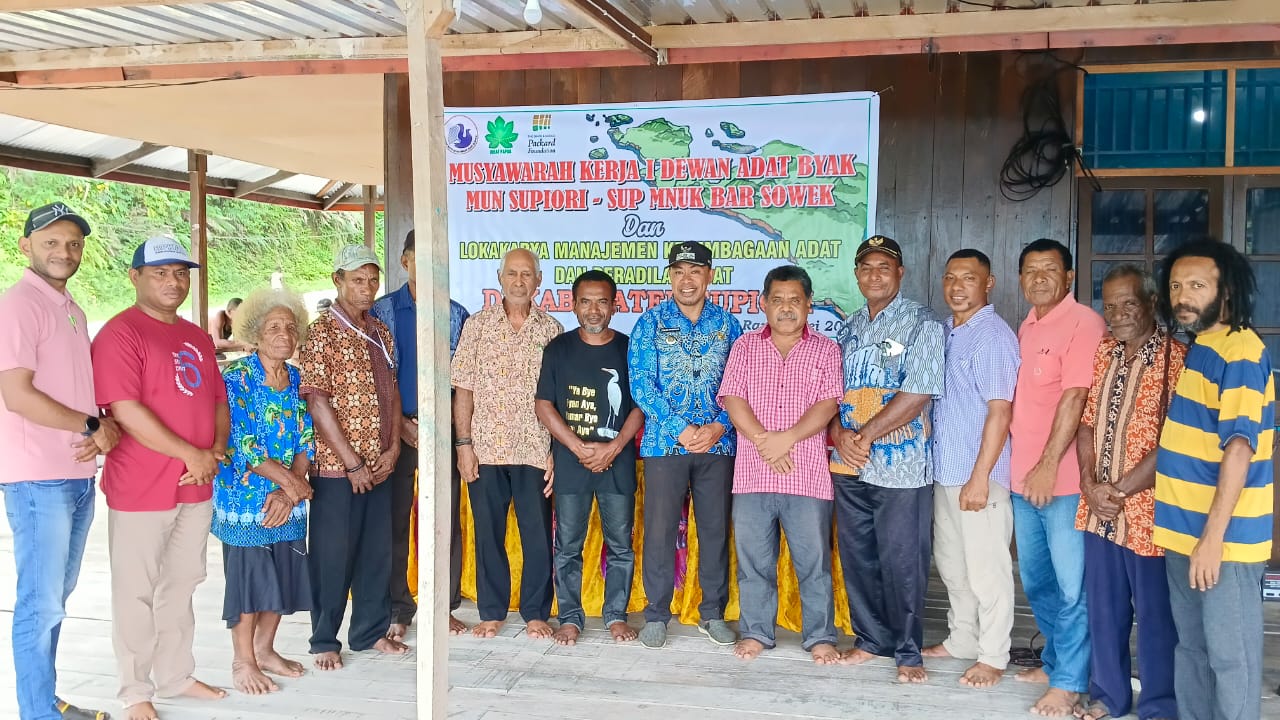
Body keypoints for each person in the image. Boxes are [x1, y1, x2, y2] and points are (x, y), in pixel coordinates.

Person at [91, 236, 231, 720]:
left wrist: (212, 449)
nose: (173, 282)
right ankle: (135, 690)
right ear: (135, 277)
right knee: (136, 589)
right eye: (160, 273)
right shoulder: (120, 333)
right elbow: (126, 411)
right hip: (141, 485)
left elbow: (217, 398)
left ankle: (175, 675)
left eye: (180, 273)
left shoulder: (194, 335)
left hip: (196, 479)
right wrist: (191, 452)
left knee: (183, 581)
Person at [0, 202, 119, 720]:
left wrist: (95, 424)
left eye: (72, 243)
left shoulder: (69, 306)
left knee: (55, 599)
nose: (63, 252)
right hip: (36, 478)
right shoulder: (18, 305)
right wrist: (91, 425)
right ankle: (36, 713)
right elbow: (17, 395)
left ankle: (43, 699)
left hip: (73, 474)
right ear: (25, 246)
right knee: (40, 603)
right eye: (50, 242)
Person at [1153, 239, 1274, 720]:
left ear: (1226, 293)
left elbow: (1240, 448)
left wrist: (1212, 539)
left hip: (1221, 540)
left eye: (1198, 286)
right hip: (1184, 532)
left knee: (1232, 658)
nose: (1183, 295)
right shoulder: (1203, 345)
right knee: (1193, 650)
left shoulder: (1241, 351)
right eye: (1177, 285)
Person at [827, 235, 944, 684]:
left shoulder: (922, 324)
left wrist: (865, 434)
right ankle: (871, 640)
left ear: (900, 273)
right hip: (849, 463)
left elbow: (918, 393)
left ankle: (909, 650)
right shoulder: (848, 326)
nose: (874, 275)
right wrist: (840, 434)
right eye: (866, 268)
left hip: (901, 465)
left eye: (883, 267)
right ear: (856, 275)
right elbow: (831, 395)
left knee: (903, 561)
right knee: (859, 556)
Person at [1073, 265, 1185, 720]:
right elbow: (1086, 422)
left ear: (1152, 304)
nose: (1116, 314)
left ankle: (1159, 706)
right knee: (1105, 609)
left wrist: (1117, 491)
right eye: (1110, 305)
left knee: (1157, 618)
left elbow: (1175, 442)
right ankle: (1109, 696)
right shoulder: (1105, 354)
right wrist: (1088, 483)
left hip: (1149, 512)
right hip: (1098, 507)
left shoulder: (1178, 359)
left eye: (1128, 304)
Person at [717, 265, 842, 665]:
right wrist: (762, 442)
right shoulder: (746, 347)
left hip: (806, 476)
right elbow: (733, 398)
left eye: (794, 300)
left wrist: (784, 440)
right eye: (778, 300)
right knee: (755, 562)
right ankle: (757, 632)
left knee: (814, 564)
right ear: (763, 304)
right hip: (753, 475)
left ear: (808, 304)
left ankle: (820, 636)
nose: (786, 308)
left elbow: (827, 404)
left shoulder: (825, 349)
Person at [1008, 238, 1106, 717]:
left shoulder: (1084, 323)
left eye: (1050, 268)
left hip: (1061, 481)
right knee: (1039, 581)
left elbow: (1076, 397)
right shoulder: (1027, 325)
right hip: (1021, 480)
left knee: (1072, 586)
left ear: (1069, 277)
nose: (1039, 277)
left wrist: (1047, 465)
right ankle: (1054, 661)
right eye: (1030, 269)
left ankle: (1069, 682)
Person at [628, 240, 742, 650]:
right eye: (678, 271)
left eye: (695, 271)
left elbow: (740, 386)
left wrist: (718, 425)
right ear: (670, 276)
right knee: (658, 532)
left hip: (718, 444)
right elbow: (641, 383)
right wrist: (679, 428)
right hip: (664, 443)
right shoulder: (650, 322)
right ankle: (656, 613)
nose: (686, 279)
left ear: (710, 275)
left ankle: (712, 612)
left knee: (714, 530)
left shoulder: (729, 325)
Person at [299, 244, 407, 671]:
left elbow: (394, 392)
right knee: (332, 556)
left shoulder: (381, 331)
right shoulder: (322, 331)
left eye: (372, 279)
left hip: (380, 464)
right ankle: (324, 638)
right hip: (337, 469)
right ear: (338, 281)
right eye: (357, 279)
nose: (366, 288)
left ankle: (368, 632)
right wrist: (351, 462)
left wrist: (394, 445)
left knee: (376, 552)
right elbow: (317, 402)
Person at [451, 248, 563, 639]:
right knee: (489, 535)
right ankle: (492, 612)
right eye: (512, 274)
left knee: (537, 536)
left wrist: (554, 453)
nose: (519, 281)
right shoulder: (477, 326)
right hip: (485, 449)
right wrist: (463, 445)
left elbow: (558, 401)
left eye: (526, 274)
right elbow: (462, 390)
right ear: (500, 278)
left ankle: (535, 613)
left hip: (534, 448)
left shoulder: (551, 330)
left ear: (538, 281)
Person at [921, 249, 1019, 689]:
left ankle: (994, 654)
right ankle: (962, 639)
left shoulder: (993, 336)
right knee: (953, 565)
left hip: (979, 475)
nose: (957, 287)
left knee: (987, 569)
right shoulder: (946, 331)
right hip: (945, 470)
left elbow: (1001, 412)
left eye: (968, 278)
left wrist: (981, 476)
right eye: (950, 278)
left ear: (989, 283)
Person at [213, 289, 316, 696]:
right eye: (273, 327)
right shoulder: (236, 377)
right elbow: (243, 442)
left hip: (288, 497)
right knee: (249, 580)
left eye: (290, 327)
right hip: (246, 500)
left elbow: (308, 439)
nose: (283, 334)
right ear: (255, 333)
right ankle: (243, 661)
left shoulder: (297, 379)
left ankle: (266, 650)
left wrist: (291, 491)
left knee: (284, 574)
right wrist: (292, 486)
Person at [534, 270, 644, 646]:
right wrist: (576, 446)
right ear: (573, 305)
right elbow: (544, 406)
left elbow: (640, 406)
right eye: (586, 301)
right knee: (567, 547)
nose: (593, 310)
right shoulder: (558, 349)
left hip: (618, 464)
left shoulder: (630, 349)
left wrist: (613, 447)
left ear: (615, 305)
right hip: (571, 464)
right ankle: (569, 617)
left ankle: (615, 615)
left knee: (620, 546)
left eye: (601, 301)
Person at [372, 229, 472, 639]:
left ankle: (442, 607)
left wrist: (438, 427)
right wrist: (404, 426)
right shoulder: (381, 314)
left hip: (442, 430)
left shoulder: (456, 315)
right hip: (394, 431)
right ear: (405, 261)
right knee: (393, 521)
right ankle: (398, 608)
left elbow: (463, 382)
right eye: (421, 258)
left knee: (443, 521)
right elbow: (375, 381)